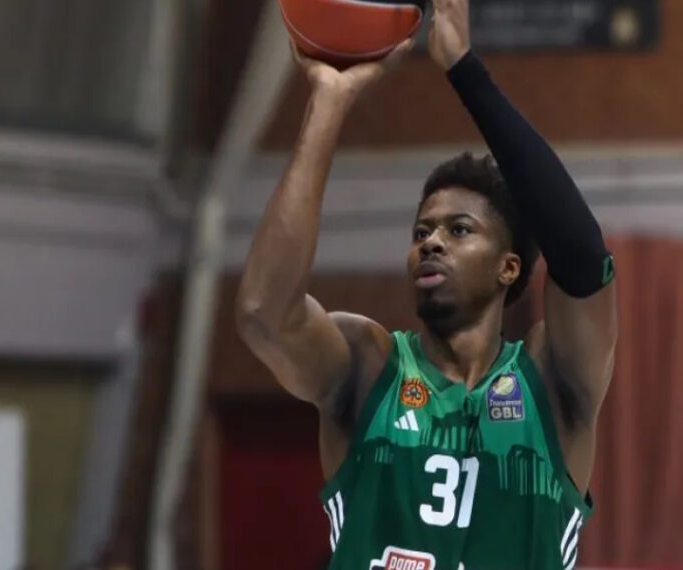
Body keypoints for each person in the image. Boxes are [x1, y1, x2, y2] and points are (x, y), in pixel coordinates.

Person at [238, 0, 618, 567]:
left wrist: (465, 70)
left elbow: (584, 259)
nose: (431, 242)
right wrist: (329, 100)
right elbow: (262, 313)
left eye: (458, 230)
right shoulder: (369, 368)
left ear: (508, 267)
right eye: (422, 231)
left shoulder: (550, 381)